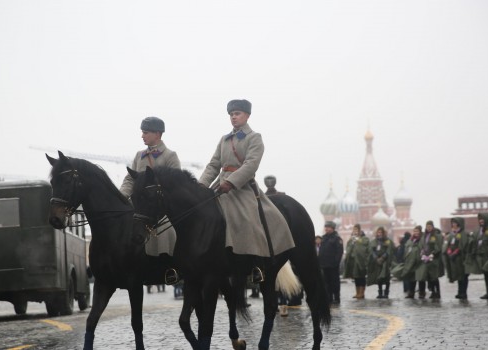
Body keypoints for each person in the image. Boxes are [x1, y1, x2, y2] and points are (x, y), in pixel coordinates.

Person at [198, 99, 295, 283]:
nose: (233, 117)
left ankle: (257, 264)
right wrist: (201, 186)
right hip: (220, 185)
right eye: (231, 114)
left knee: (250, 219)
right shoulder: (224, 140)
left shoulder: (254, 137)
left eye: (237, 113)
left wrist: (231, 182)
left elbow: (251, 164)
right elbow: (213, 165)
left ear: (247, 115)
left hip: (242, 188)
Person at [120, 116, 181, 285]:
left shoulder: (170, 156)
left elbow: (175, 182)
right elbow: (130, 179)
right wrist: (122, 196)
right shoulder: (139, 156)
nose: (142, 136)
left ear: (157, 134)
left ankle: (170, 267)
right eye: (142, 132)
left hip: (161, 206)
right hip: (140, 203)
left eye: (145, 132)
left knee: (165, 227)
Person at [415, 221, 443, 299]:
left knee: (434, 277)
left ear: (432, 227)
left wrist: (432, 254)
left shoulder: (435, 236)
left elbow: (438, 247)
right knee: (429, 277)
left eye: (430, 226)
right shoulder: (424, 236)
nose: (429, 228)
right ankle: (432, 292)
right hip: (425, 259)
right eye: (427, 226)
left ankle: (437, 292)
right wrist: (423, 253)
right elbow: (421, 246)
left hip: (433, 259)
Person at [443, 217, 470, 299]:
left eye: (455, 223)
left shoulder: (463, 234)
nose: (454, 225)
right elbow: (449, 244)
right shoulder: (452, 234)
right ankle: (459, 292)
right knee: (458, 275)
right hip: (454, 258)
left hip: (461, 258)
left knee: (463, 276)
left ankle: (463, 292)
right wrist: (449, 251)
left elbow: (463, 245)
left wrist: (456, 252)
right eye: (453, 223)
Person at [318, 221, 344, 305]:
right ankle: (329, 298)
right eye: (325, 227)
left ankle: (336, 297)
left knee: (334, 282)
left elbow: (339, 252)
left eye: (328, 227)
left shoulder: (337, 238)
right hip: (324, 265)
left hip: (333, 265)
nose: (326, 228)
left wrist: (336, 262)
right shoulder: (324, 238)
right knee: (326, 282)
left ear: (332, 228)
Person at [343, 224, 370, 299]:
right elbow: (348, 247)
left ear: (360, 231)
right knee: (356, 277)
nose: (355, 231)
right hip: (353, 261)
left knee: (361, 277)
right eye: (354, 230)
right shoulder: (352, 239)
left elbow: (365, 247)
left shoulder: (364, 239)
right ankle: (357, 292)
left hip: (361, 261)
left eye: (356, 230)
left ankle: (362, 293)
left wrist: (357, 240)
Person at [367, 226, 395, 299]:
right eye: (378, 232)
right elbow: (371, 250)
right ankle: (380, 292)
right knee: (379, 277)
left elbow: (389, 250)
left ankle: (386, 292)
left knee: (386, 278)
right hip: (377, 261)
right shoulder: (374, 241)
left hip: (385, 261)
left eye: (381, 232)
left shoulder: (387, 241)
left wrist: (383, 258)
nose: (379, 233)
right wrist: (376, 258)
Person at [395, 232, 411, 296]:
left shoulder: (402, 243)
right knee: (408, 276)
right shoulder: (409, 242)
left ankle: (405, 289)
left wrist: (399, 260)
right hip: (408, 261)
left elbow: (399, 253)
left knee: (405, 276)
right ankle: (409, 288)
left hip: (403, 261)